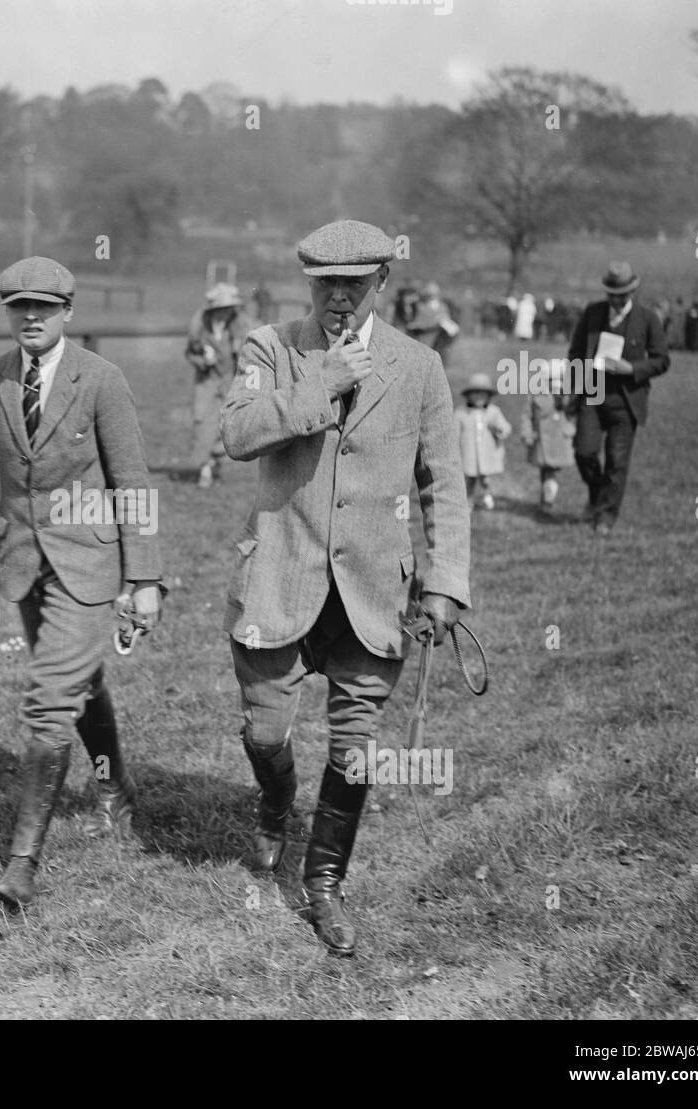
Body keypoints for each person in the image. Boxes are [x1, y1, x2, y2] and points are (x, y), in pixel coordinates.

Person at [220, 220, 471, 956]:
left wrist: (446, 581)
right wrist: (318, 383)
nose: (337, 300)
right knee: (266, 731)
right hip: (280, 575)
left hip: (373, 591)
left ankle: (324, 883)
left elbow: (445, 483)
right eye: (325, 285)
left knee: (356, 746)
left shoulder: (419, 366)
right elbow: (236, 434)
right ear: (309, 284)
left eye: (353, 286)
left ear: (382, 284)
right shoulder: (270, 348)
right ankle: (274, 802)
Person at [0, 256, 164, 913]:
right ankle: (116, 785)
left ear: (68, 312)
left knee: (47, 699)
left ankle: (21, 862)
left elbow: (132, 482)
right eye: (18, 307)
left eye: (43, 307)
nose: (30, 317)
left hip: (89, 563)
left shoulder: (103, 380)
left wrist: (144, 576)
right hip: (23, 564)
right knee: (78, 680)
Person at [567, 261, 670, 535]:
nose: (616, 299)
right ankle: (598, 493)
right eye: (612, 294)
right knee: (583, 451)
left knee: (617, 460)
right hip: (592, 394)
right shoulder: (593, 313)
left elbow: (662, 360)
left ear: (632, 291)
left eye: (622, 294)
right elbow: (575, 352)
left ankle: (604, 516)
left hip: (626, 402)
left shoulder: (648, 319)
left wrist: (632, 369)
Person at [184, 282, 252, 487]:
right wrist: (204, 361)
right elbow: (189, 353)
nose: (225, 313)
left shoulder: (238, 327)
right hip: (206, 382)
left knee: (225, 424)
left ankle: (215, 460)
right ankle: (204, 467)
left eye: (228, 309)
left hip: (229, 383)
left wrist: (238, 351)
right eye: (221, 309)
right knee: (202, 421)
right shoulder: (200, 326)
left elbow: (248, 357)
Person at [519, 361, 576, 514]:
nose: (556, 384)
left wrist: (570, 428)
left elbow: (573, 415)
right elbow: (527, 415)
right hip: (541, 441)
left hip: (559, 440)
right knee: (545, 470)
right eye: (551, 380)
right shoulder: (536, 395)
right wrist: (527, 433)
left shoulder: (567, 397)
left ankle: (547, 502)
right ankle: (545, 499)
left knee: (550, 471)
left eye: (560, 380)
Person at [454, 372, 511, 510]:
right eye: (475, 393)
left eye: (483, 394)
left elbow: (505, 427)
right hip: (469, 454)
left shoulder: (493, 412)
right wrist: (453, 447)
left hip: (487, 453)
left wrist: (499, 430)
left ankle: (487, 496)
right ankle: (468, 501)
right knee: (469, 480)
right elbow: (454, 431)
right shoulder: (461, 412)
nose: (479, 397)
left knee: (485, 479)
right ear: (468, 395)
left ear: (489, 396)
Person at [403, 280, 460, 369]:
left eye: (434, 294)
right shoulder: (420, 307)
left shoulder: (442, 306)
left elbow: (447, 321)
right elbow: (414, 324)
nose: (432, 296)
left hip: (439, 343)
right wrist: (433, 324)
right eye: (430, 294)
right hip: (423, 342)